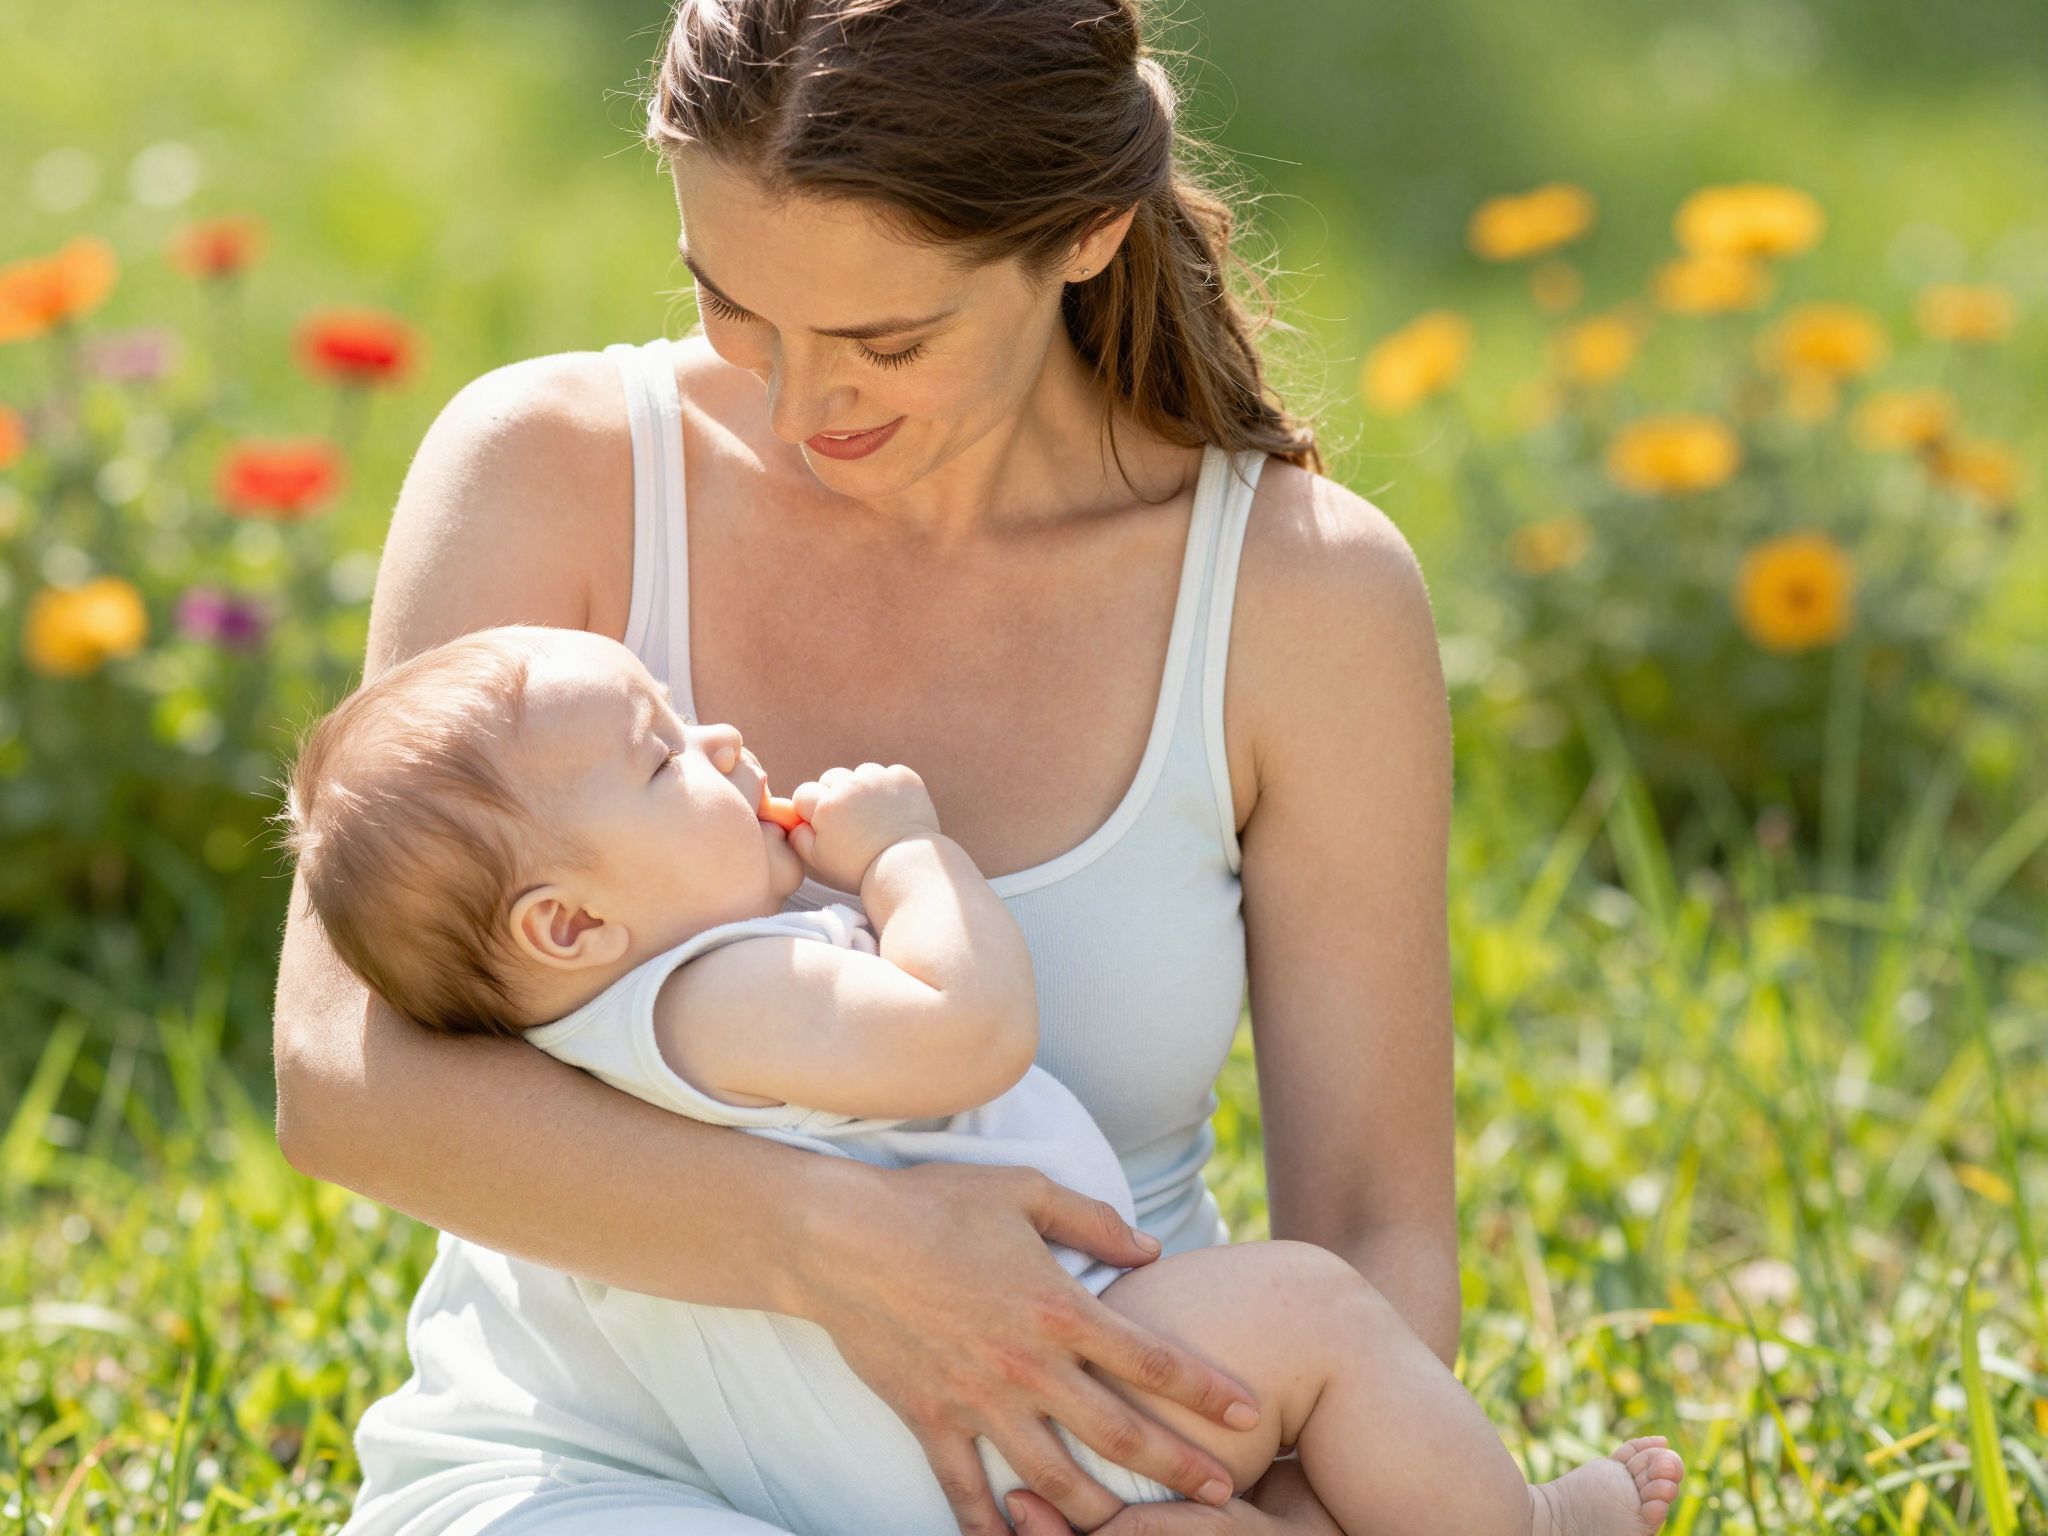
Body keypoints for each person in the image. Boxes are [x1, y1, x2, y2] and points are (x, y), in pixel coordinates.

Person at [270, 3, 1500, 1533]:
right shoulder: (551, 467)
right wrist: (843, 1250)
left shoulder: (1299, 598)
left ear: (1088, 232)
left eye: (888, 342)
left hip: (1075, 1468)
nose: (797, 408)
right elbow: (343, 1075)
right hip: (593, 1470)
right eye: (731, 303)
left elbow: (1375, 1229)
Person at [280, 623, 1683, 1536]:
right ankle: (1530, 1526)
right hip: (1034, 1384)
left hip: (930, 1458)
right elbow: (966, 1031)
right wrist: (908, 855)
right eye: (663, 757)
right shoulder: (710, 996)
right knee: (1312, 1312)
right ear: (569, 926)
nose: (718, 741)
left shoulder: (617, 1027)